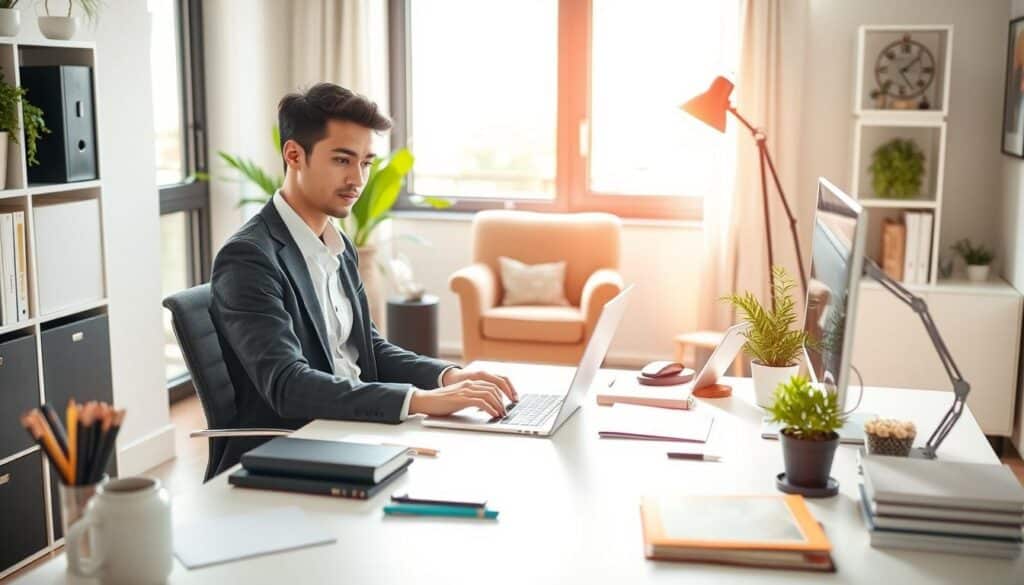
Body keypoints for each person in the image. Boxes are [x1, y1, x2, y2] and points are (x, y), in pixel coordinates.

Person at [208, 83, 517, 476]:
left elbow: (368, 348)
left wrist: (450, 376)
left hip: (353, 430)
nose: (358, 178)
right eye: (342, 160)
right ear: (294, 156)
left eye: (366, 162)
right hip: (295, 446)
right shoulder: (250, 258)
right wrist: (419, 401)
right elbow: (288, 384)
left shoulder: (338, 245)